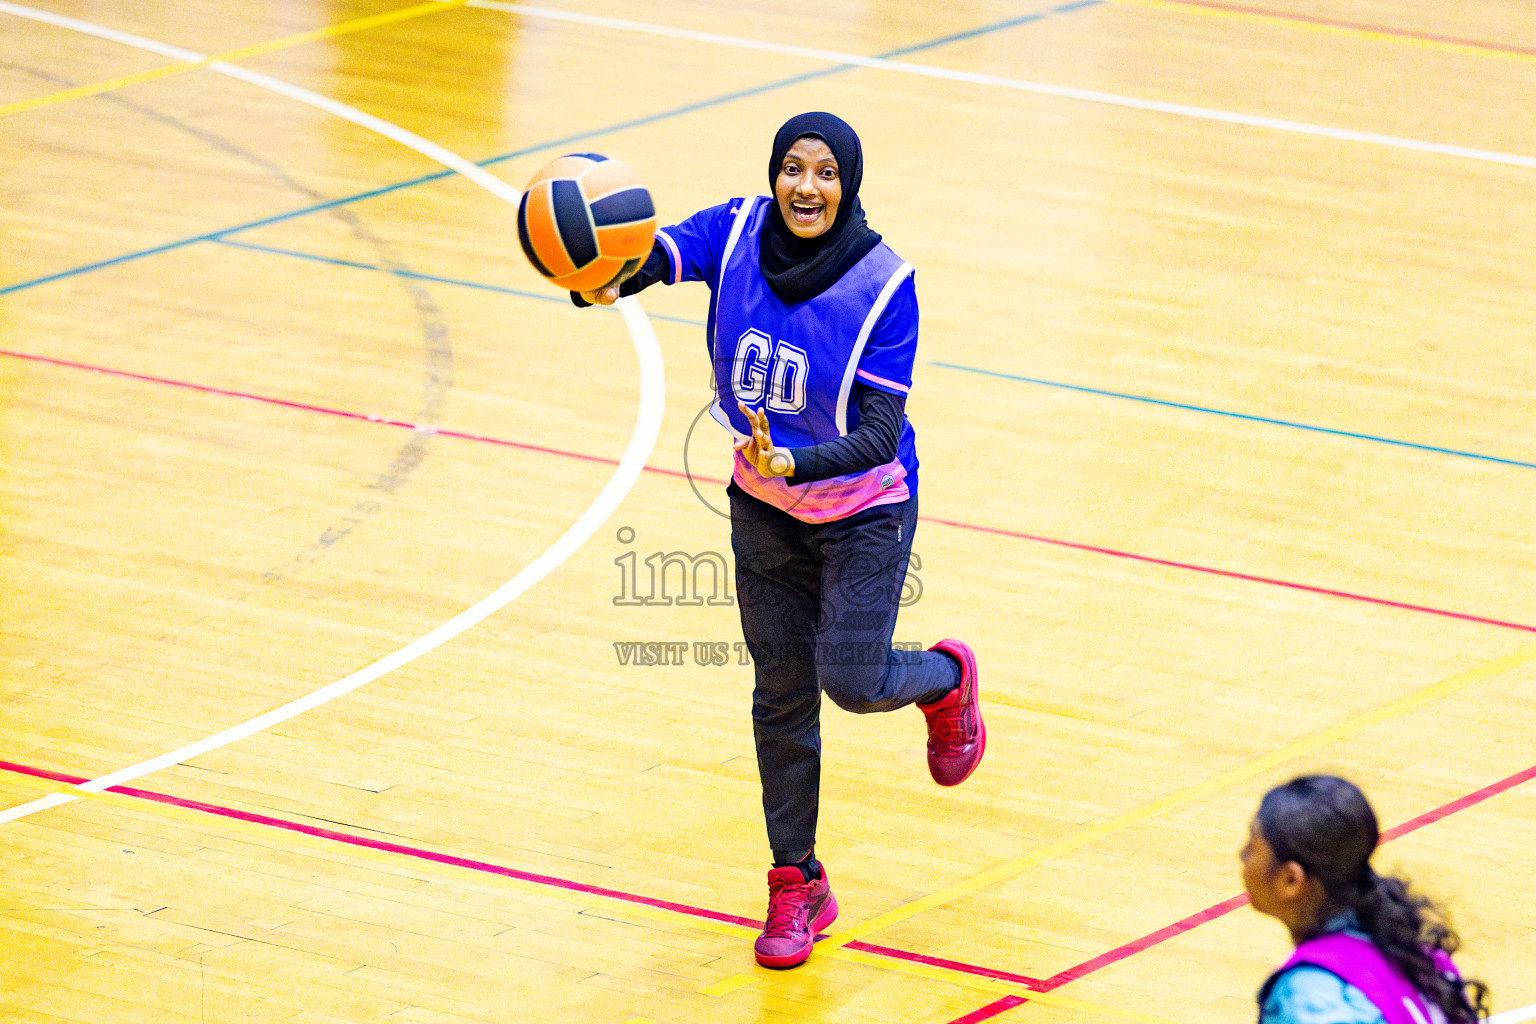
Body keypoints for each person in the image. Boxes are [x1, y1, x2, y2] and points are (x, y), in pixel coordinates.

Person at [575, 111, 985, 969]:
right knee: (780, 698)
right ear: (774, 175)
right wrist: (603, 273)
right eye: (792, 168)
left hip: (866, 509)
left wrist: (796, 458)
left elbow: (879, 432)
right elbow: (658, 256)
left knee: (852, 678)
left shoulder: (884, 284)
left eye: (826, 172)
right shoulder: (734, 232)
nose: (806, 186)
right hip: (764, 507)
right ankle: (796, 882)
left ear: (850, 186)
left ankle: (945, 680)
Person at [1240, 775, 1489, 1024]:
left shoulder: (1307, 996)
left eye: (1251, 847)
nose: (1241, 855)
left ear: (1291, 880)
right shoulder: (1419, 957)